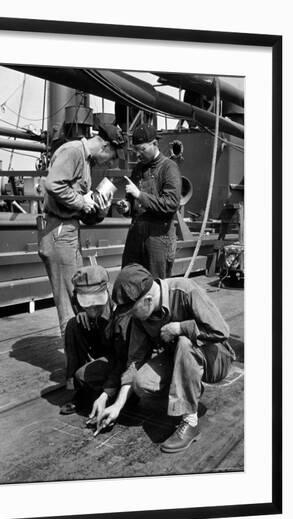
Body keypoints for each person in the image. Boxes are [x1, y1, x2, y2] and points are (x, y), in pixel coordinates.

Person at [89, 263, 236, 453]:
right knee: (142, 383)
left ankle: (190, 421)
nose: (132, 317)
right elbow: (135, 360)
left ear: (148, 300)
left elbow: (221, 330)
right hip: (178, 358)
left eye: (132, 311)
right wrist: (117, 405)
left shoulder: (186, 290)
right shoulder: (141, 315)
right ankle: (185, 388)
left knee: (184, 342)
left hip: (215, 358)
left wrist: (180, 328)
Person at [39, 124, 125, 344]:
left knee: (78, 294)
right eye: (112, 157)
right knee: (68, 301)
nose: (109, 163)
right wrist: (81, 201)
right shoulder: (74, 151)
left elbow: (80, 206)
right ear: (105, 146)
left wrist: (97, 207)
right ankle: (73, 363)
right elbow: (53, 184)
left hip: (68, 229)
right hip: (59, 231)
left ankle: (78, 354)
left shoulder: (84, 160)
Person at [60, 265, 128, 415]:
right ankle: (79, 391)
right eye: (87, 303)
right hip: (99, 354)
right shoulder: (80, 306)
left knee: (83, 375)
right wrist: (81, 313)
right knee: (73, 325)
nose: (92, 308)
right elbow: (77, 301)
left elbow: (123, 359)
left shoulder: (119, 313)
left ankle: (110, 395)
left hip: (118, 360)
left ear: (106, 293)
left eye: (97, 304)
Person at [119, 124, 182, 278]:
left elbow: (171, 204)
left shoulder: (169, 168)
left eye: (142, 149)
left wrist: (140, 195)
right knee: (129, 280)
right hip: (136, 235)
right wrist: (126, 206)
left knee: (156, 288)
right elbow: (132, 200)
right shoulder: (138, 169)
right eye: (135, 150)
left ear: (155, 144)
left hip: (158, 238)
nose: (138, 155)